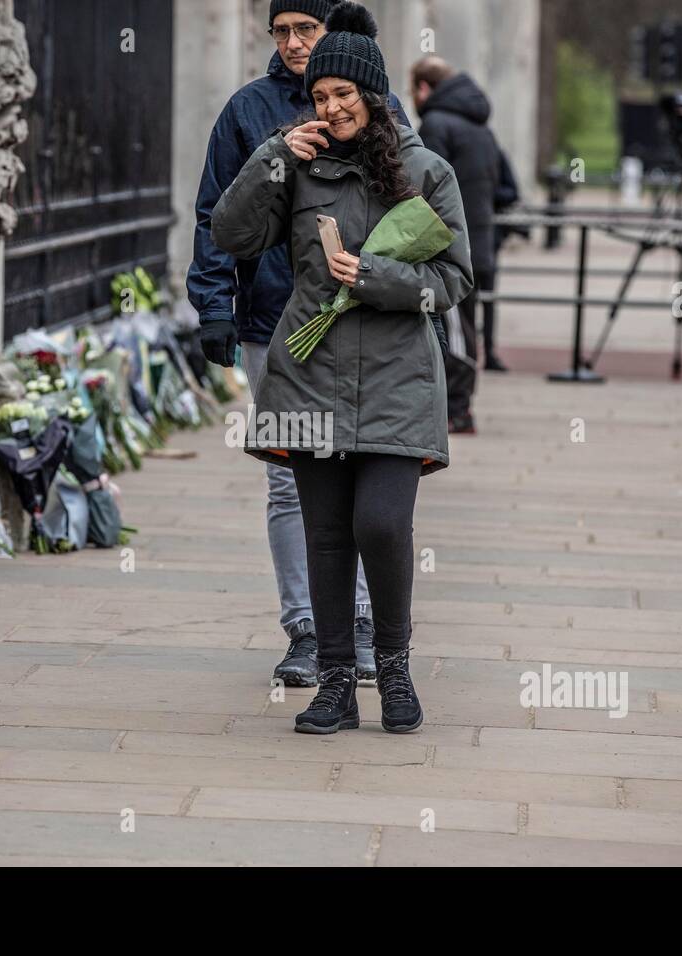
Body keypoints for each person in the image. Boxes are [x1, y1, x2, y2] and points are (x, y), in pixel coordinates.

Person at [211, 2, 473, 734]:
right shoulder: (296, 166)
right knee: (325, 532)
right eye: (321, 96)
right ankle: (333, 682)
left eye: (342, 96)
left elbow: (453, 281)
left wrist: (375, 277)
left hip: (398, 379)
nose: (329, 107)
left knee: (381, 524)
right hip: (308, 372)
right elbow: (230, 233)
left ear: (372, 97)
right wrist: (271, 159)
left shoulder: (426, 173)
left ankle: (392, 667)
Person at [187, 0, 410, 689]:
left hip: (357, 318)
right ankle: (308, 630)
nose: (291, 41)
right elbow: (216, 211)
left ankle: (365, 628)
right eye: (280, 29)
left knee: (358, 474)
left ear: (330, 33)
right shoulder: (248, 109)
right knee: (290, 481)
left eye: (304, 28)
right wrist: (213, 304)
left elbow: (415, 207)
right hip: (271, 320)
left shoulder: (376, 105)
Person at [410, 56, 519, 435]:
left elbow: (424, 188)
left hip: (449, 247)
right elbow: (510, 189)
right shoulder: (483, 129)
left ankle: (458, 411)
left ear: (424, 88)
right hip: (481, 242)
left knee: (453, 329)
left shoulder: (436, 124)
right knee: (465, 327)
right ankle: (457, 407)